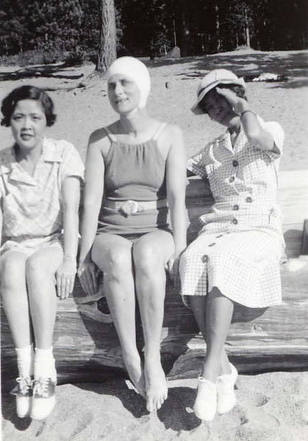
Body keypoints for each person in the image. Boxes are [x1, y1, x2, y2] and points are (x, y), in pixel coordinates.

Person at [78, 56, 187, 413]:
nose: (117, 91)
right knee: (117, 256)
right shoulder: (100, 140)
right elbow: (91, 203)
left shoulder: (170, 135)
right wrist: (81, 257)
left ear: (143, 88)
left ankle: (151, 354)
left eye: (125, 83)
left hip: (155, 231)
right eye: (111, 85)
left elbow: (176, 200)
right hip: (110, 232)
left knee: (147, 254)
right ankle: (129, 353)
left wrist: (181, 250)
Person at [179, 69, 284, 421]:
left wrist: (242, 103)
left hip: (259, 230)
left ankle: (208, 376)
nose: (217, 110)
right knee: (192, 259)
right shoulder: (211, 151)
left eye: (220, 101)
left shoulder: (268, 129)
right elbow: (176, 169)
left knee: (220, 260)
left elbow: (254, 133)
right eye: (210, 107)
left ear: (236, 94)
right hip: (219, 230)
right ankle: (223, 367)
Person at [0, 86, 84, 420]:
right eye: (19, 117)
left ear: (47, 120)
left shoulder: (64, 153)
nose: (27, 125)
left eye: (35, 117)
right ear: (9, 120)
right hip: (15, 243)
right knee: (11, 269)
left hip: (54, 241)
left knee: (36, 268)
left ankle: (45, 367)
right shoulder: (2, 163)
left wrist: (69, 259)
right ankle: (24, 369)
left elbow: (73, 211)